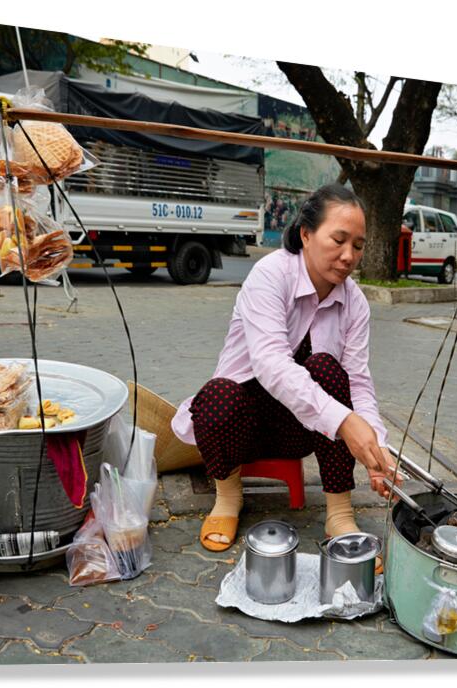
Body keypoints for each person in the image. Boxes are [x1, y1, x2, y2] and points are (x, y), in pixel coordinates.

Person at [171, 183, 401, 552]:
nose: (348, 256)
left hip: (299, 431)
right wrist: (345, 423)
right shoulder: (270, 275)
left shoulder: (354, 303)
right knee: (216, 395)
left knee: (328, 370)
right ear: (307, 234)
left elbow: (357, 382)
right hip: (241, 424)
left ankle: (339, 511)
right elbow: (270, 364)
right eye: (338, 240)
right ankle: (228, 497)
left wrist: (375, 445)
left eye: (357, 246)